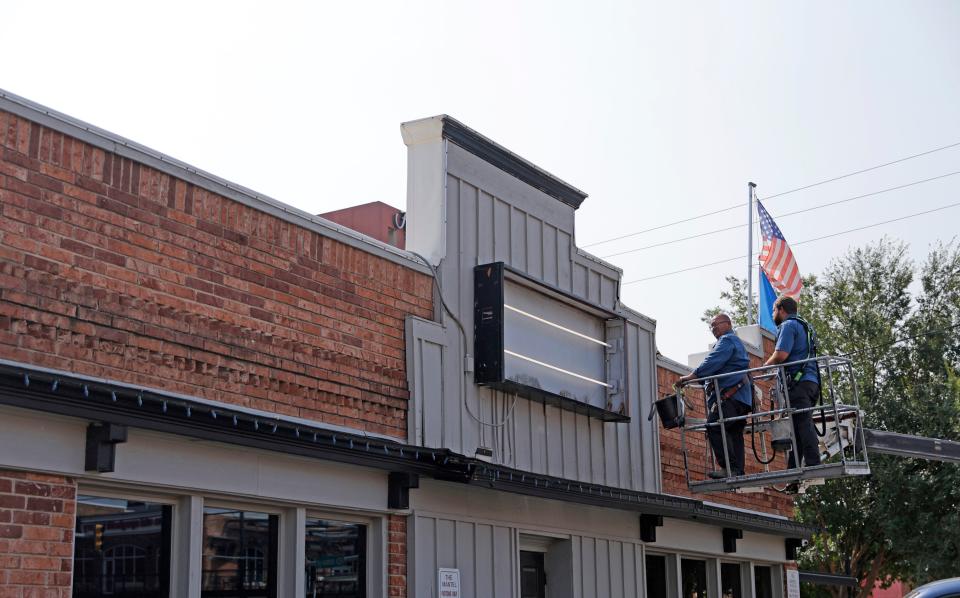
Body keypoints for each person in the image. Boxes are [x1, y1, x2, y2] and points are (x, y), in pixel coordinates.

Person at [677, 314, 752, 478]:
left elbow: (713, 361)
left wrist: (692, 376)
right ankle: (737, 469)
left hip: (730, 396)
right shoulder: (736, 343)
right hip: (741, 398)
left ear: (728, 324)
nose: (713, 328)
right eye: (711, 326)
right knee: (734, 432)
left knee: (714, 426)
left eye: (716, 324)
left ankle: (728, 468)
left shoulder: (727, 340)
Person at [763, 295, 821, 469]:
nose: (773, 314)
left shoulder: (788, 325)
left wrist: (764, 367)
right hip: (811, 383)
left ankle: (813, 463)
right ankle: (794, 466)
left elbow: (781, 354)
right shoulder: (806, 326)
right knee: (797, 427)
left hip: (798, 383)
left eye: (774, 310)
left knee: (803, 424)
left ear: (781, 309)